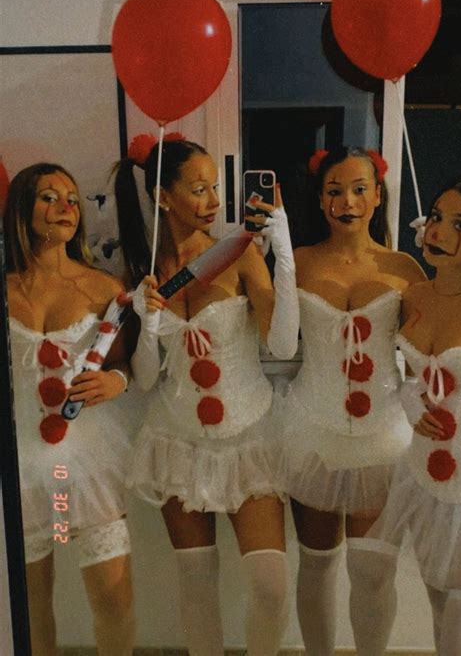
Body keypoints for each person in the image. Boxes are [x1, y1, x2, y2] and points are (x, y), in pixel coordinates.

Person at [114, 134, 298, 656]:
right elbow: (147, 379)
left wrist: (281, 250)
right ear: (163, 196)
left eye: (216, 187)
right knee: (195, 585)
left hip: (250, 433)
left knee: (270, 587)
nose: (215, 201)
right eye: (199, 188)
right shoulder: (141, 272)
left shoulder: (239, 253)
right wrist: (148, 322)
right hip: (176, 438)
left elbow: (283, 342)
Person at [278, 146, 426, 656]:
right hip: (311, 430)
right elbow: (274, 336)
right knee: (317, 564)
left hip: (383, 433)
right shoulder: (295, 262)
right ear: (320, 200)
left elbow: (430, 346)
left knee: (372, 568)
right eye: (335, 190)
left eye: (360, 188)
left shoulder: (405, 265)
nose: (348, 201)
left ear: (378, 194)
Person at [4, 162, 134, 656]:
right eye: (48, 197)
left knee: (114, 604)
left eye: (73, 199)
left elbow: (128, 367)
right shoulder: (5, 287)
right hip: (22, 470)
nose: (64, 208)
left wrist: (114, 381)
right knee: (33, 607)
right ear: (21, 208)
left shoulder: (102, 288)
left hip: (85, 465)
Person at [364, 171, 461, 655]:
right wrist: (411, 404)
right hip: (425, 476)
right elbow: (404, 379)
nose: (438, 231)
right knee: (437, 601)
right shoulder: (415, 296)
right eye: (435, 216)